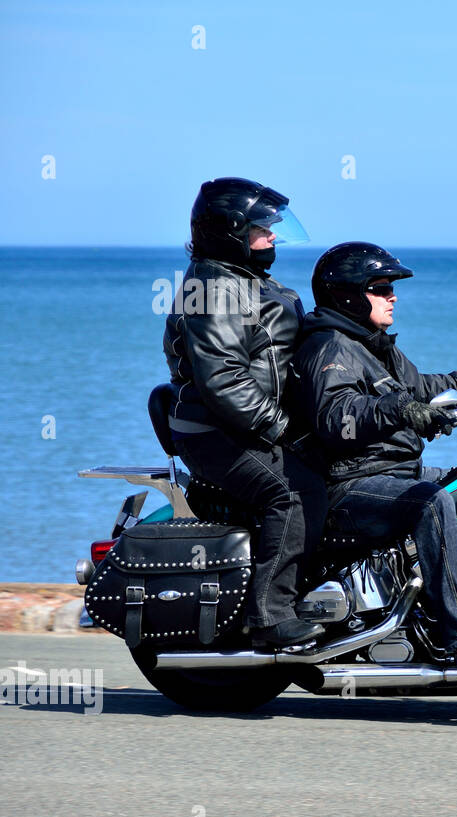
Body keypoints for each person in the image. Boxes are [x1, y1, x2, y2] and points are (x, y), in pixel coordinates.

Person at [292, 241, 457, 665]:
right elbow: (336, 416)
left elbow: (422, 386)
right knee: (430, 502)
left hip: (392, 471)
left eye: (391, 288)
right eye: (381, 288)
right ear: (348, 294)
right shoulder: (330, 347)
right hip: (350, 484)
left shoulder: (371, 345)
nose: (393, 296)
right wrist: (401, 410)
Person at [163, 177, 327, 649]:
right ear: (229, 232)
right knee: (295, 492)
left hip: (243, 425)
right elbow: (223, 381)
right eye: (262, 228)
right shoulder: (214, 289)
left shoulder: (244, 279)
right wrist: (286, 431)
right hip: (216, 430)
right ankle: (270, 617)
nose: (273, 236)